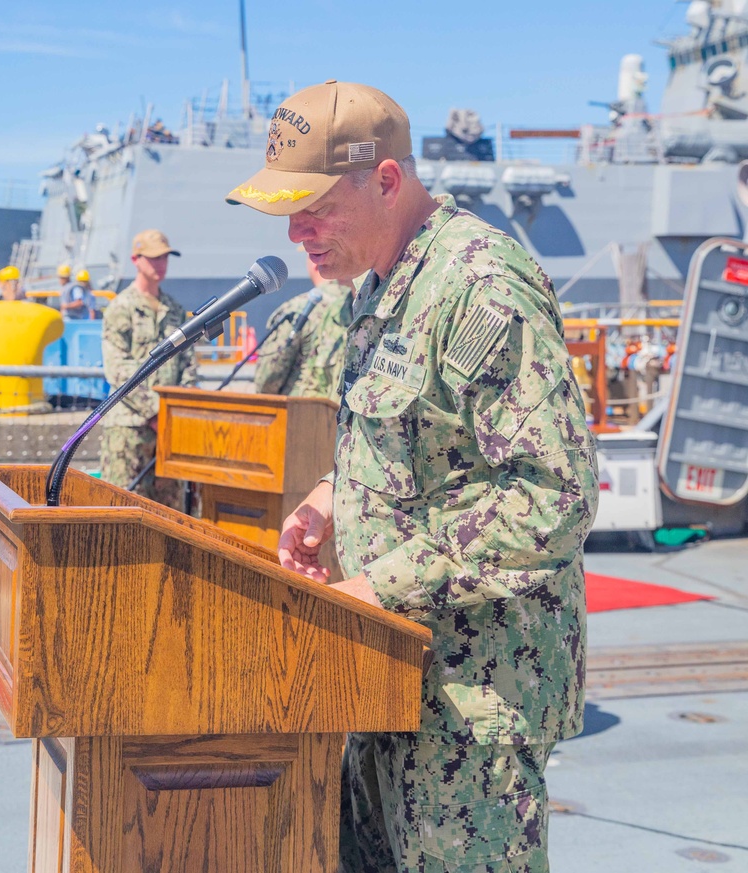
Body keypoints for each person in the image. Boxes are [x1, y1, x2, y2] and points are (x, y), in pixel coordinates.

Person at [227, 80, 599, 872]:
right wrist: (335, 497)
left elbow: (552, 496)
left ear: (387, 182)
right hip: (389, 678)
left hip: (472, 701)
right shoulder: (382, 283)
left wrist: (385, 583)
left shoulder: (477, 283)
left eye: (314, 207)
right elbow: (424, 441)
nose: (296, 233)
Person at [100, 229, 198, 510]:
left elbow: (188, 364)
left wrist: (181, 410)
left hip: (170, 430)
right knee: (122, 509)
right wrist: (156, 412)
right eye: (154, 258)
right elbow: (117, 368)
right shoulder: (121, 308)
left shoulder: (176, 310)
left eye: (165, 258)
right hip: (129, 429)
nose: (160, 264)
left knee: (170, 513)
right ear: (136, 259)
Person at [253, 249, 355, 399]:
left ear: (315, 261)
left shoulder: (299, 309)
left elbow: (267, 381)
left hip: (301, 416)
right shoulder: (360, 303)